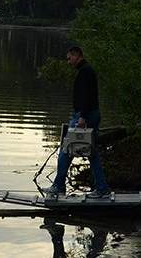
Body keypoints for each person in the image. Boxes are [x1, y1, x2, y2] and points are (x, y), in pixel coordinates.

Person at [45, 46, 109, 198]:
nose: (68, 62)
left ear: (77, 55)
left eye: (69, 58)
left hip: (84, 116)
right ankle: (101, 188)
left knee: (66, 150)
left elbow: (88, 96)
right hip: (86, 115)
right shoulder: (85, 71)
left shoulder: (85, 71)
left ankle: (59, 186)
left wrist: (82, 117)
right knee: (91, 153)